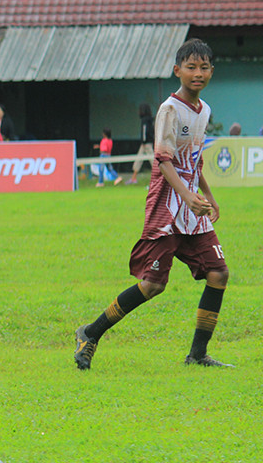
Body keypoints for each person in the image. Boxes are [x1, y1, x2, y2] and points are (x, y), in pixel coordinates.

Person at [73, 39, 231, 371]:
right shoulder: (170, 110)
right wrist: (187, 197)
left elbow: (195, 161)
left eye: (204, 67)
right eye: (191, 67)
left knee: (218, 273)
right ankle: (90, 332)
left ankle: (198, 354)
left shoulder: (205, 112)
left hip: (192, 210)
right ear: (178, 71)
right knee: (153, 285)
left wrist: (208, 195)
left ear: (211, 72)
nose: (197, 73)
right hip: (167, 208)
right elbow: (163, 161)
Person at [127, 104, 154, 185]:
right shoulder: (149, 120)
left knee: (153, 161)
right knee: (139, 159)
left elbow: (145, 131)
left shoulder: (145, 120)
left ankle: (156, 181)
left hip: (146, 143)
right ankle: (133, 178)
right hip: (146, 143)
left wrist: (144, 141)